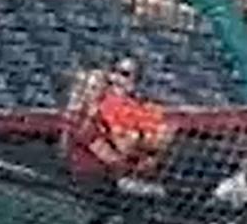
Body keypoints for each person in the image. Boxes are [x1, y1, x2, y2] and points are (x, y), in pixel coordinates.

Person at [61, 57, 171, 196]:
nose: (99, 91)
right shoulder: (82, 120)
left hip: (108, 180)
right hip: (90, 183)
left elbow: (161, 140)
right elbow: (114, 155)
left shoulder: (99, 115)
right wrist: (137, 157)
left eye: (100, 86)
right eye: (91, 88)